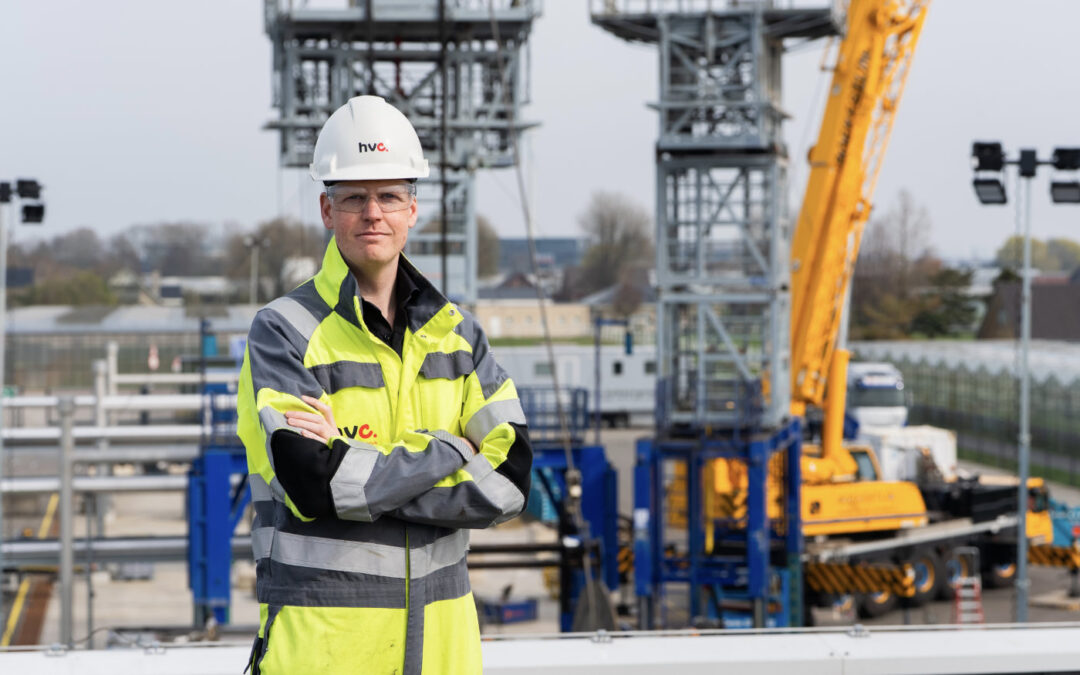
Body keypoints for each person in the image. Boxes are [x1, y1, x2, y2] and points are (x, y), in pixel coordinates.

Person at [237, 95, 532, 674]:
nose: (374, 213)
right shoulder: (283, 332)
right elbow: (315, 486)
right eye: (354, 198)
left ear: (412, 209)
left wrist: (358, 464)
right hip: (324, 652)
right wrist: (453, 450)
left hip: (443, 652)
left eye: (390, 196)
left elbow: (511, 483)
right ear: (327, 209)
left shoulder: (459, 336)